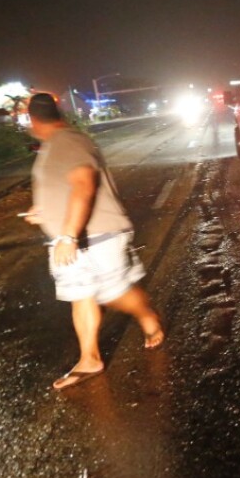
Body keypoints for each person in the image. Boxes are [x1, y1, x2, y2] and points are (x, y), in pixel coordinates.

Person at [22, 93, 164, 390]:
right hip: (69, 239)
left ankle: (147, 315)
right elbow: (65, 188)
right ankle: (90, 359)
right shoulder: (53, 146)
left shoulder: (68, 141)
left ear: (33, 119)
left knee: (110, 294)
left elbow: (85, 184)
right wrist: (44, 210)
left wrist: (69, 235)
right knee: (81, 295)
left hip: (95, 235)